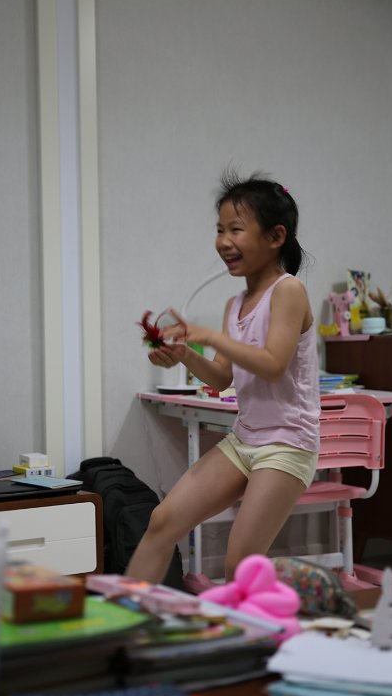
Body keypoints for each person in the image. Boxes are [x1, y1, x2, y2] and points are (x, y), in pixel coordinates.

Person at [126, 171, 320, 585]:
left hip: (287, 443)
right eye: (219, 230)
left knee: (240, 562)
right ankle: (130, 614)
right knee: (162, 521)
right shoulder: (236, 303)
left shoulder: (288, 291)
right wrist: (185, 354)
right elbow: (221, 377)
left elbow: (273, 364)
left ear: (275, 236)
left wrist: (211, 336)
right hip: (245, 439)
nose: (223, 241)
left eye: (236, 229)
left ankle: (253, 626)